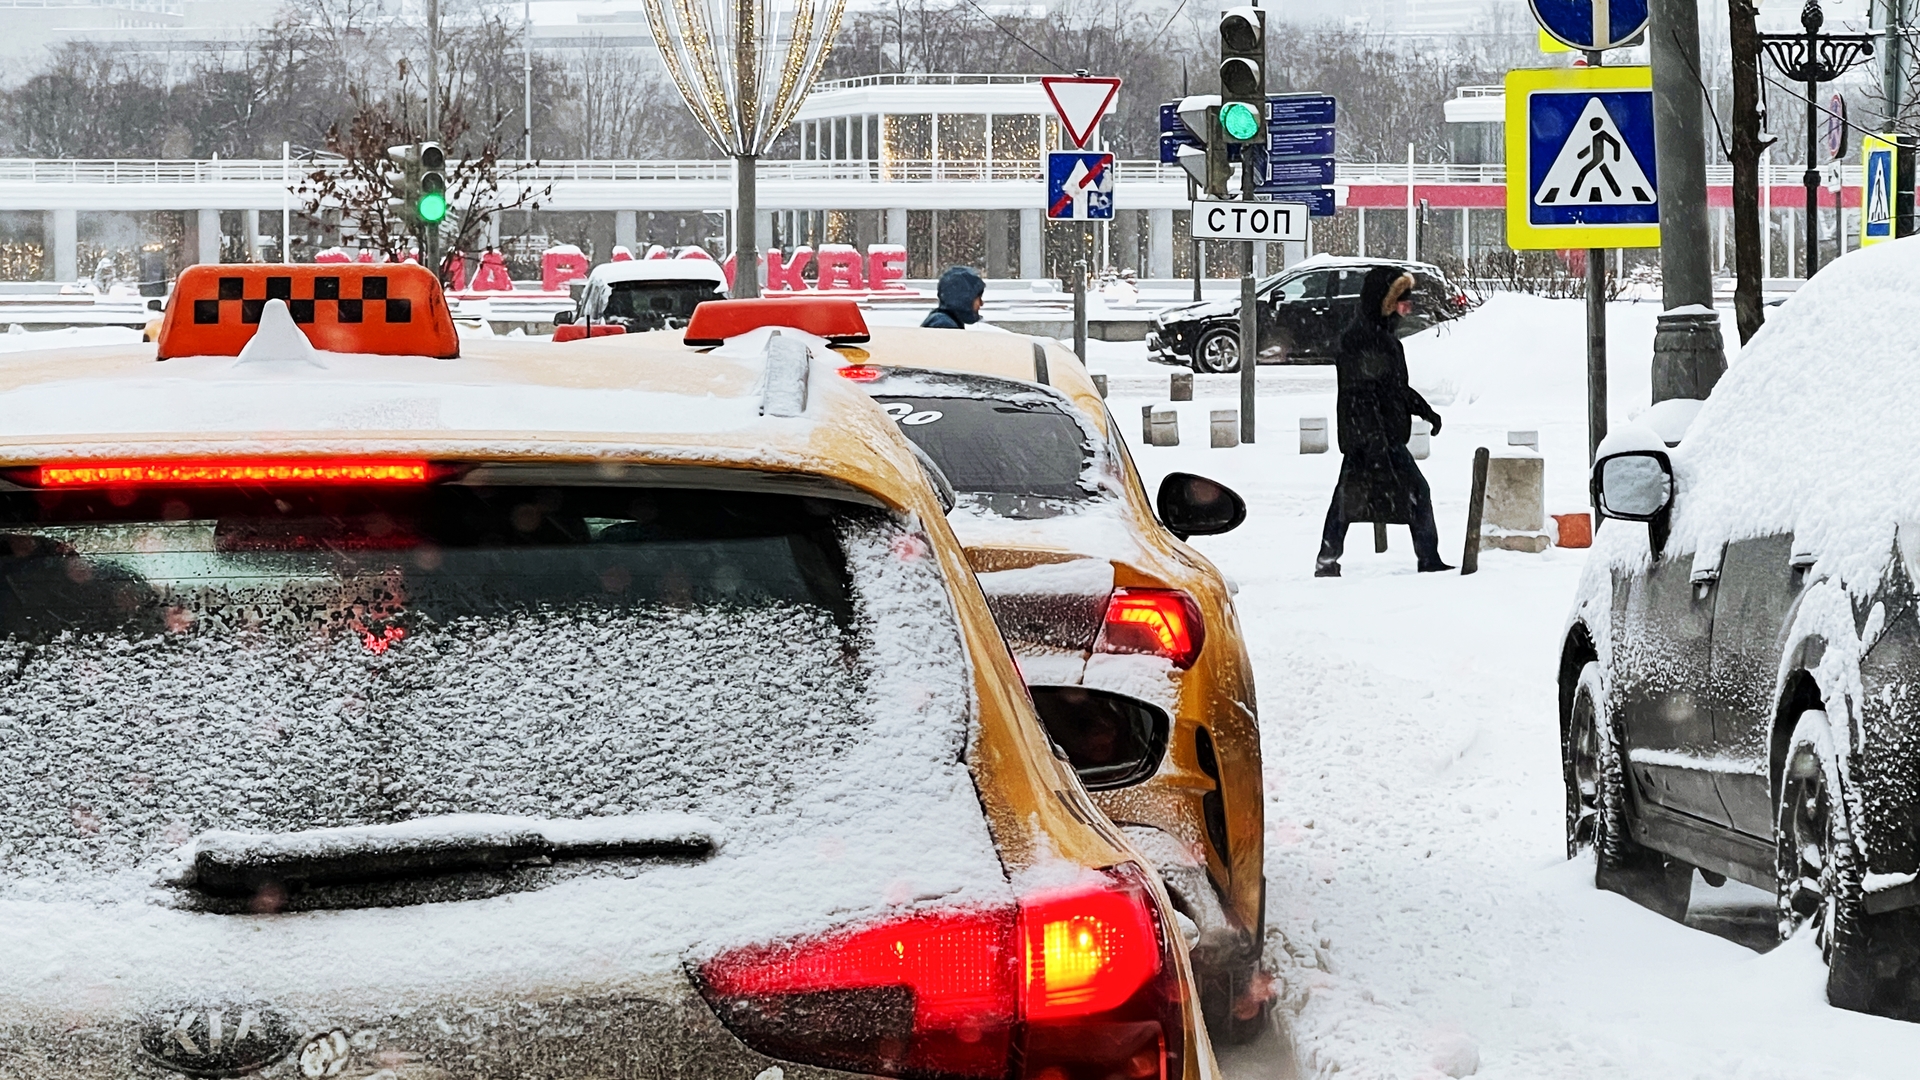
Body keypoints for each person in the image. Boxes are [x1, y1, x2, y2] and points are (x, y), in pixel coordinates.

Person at [1315, 265, 1451, 577]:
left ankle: (1327, 560)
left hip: (1379, 438)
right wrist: (1376, 444)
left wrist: (1424, 410)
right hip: (1370, 439)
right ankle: (1427, 558)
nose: (1408, 306)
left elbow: (1394, 388)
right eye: (1403, 300)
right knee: (1412, 491)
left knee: (1348, 499)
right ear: (1385, 302)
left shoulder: (1385, 339)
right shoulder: (1360, 340)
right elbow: (1362, 395)